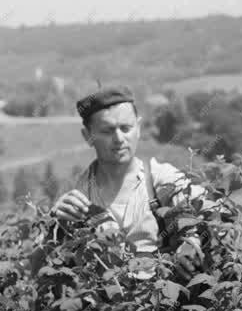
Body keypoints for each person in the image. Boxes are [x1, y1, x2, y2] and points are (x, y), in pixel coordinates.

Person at [51, 85, 205, 281]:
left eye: (126, 128)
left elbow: (210, 216)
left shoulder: (161, 179)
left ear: (138, 128)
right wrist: (55, 225)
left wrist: (191, 241)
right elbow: (47, 269)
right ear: (88, 136)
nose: (119, 139)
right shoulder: (78, 197)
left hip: (163, 304)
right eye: (107, 131)